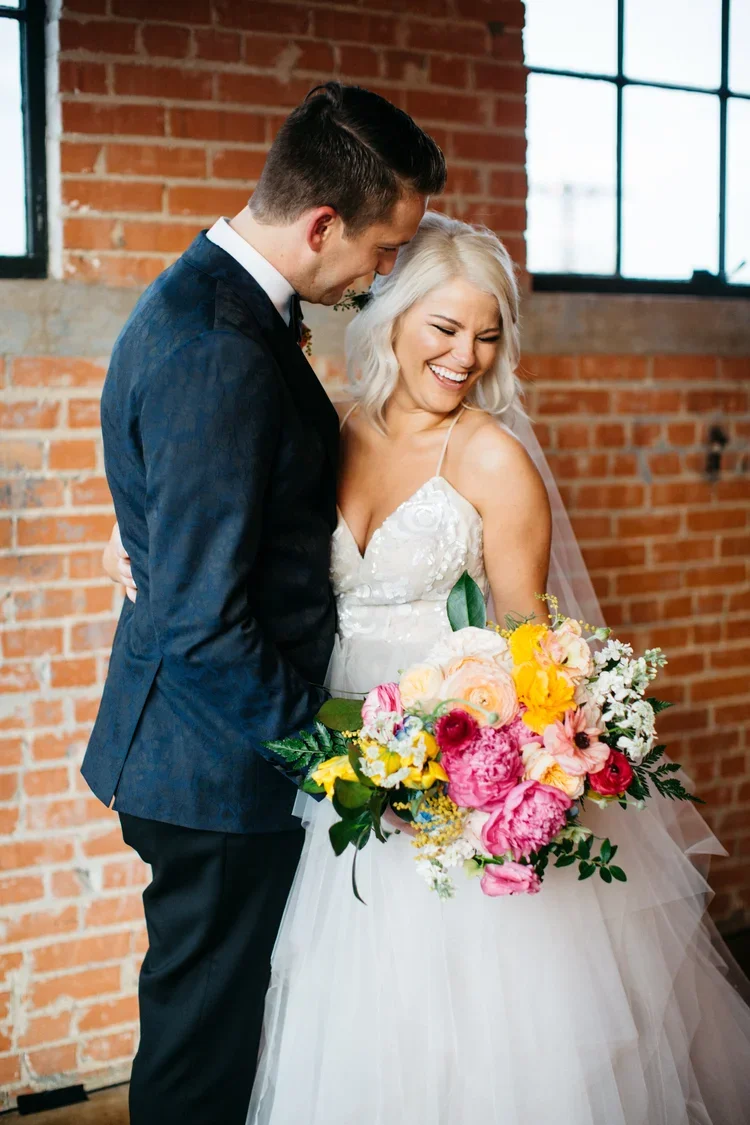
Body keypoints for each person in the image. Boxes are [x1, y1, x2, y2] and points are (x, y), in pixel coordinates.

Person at [106, 213, 750, 1123]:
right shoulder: (331, 430)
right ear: (393, 320)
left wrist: (506, 770)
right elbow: (214, 505)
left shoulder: (495, 459)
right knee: (338, 1030)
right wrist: (125, 539)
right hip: (328, 761)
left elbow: (535, 645)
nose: (466, 356)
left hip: (445, 784)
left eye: (488, 335)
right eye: (445, 329)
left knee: (467, 1042)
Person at [84, 81, 445, 1125]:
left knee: (224, 1029)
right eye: (381, 250)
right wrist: (343, 753)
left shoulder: (215, 304)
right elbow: (201, 621)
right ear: (321, 222)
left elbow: (201, 534)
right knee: (204, 1052)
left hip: (202, 749)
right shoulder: (217, 346)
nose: (380, 274)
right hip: (214, 768)